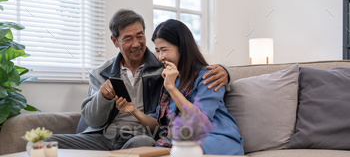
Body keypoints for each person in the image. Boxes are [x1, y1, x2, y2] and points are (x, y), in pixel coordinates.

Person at [45, 9, 231, 150]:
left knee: (142, 142)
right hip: (103, 137)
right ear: (114, 41)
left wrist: (225, 72)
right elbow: (93, 121)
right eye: (128, 38)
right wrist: (102, 97)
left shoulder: (164, 67)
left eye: (140, 36)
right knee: (46, 142)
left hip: (142, 136)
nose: (136, 44)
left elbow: (193, 73)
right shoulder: (100, 73)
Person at [115, 19, 244, 155]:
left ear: (182, 48)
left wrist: (171, 88)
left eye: (164, 50)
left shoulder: (209, 76)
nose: (160, 57)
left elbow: (200, 121)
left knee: (181, 151)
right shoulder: (171, 79)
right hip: (181, 140)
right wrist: (133, 110)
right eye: (157, 51)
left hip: (216, 137)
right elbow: (158, 125)